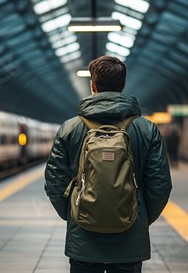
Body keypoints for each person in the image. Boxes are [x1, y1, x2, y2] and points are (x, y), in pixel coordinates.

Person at [44, 55, 172, 273]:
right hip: (130, 237)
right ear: (123, 85)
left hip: (83, 238)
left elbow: (54, 181)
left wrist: (73, 213)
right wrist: (139, 216)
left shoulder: (69, 128)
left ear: (93, 85)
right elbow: (160, 185)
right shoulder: (147, 129)